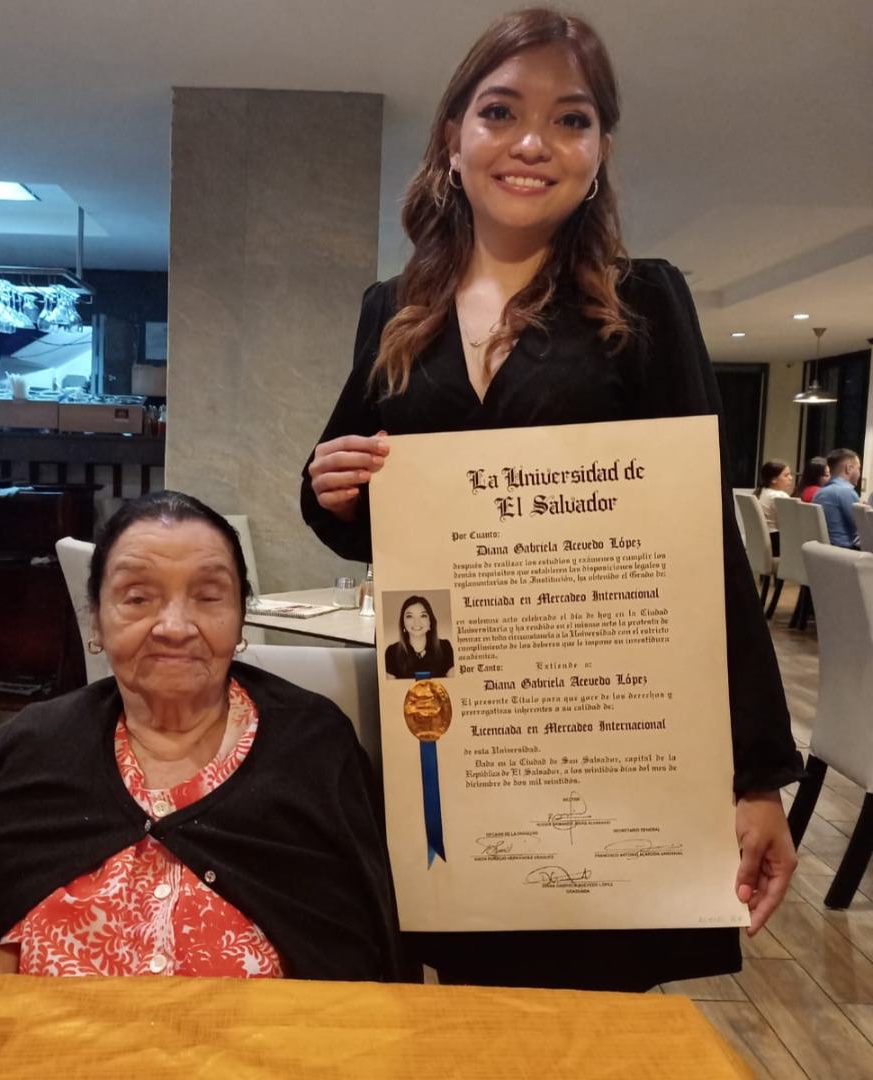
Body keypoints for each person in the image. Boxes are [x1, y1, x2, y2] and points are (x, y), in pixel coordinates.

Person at [300, 8, 801, 992]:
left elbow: (703, 543)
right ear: (454, 138)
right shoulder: (395, 310)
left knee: (599, 998)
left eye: (570, 119)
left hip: (607, 716)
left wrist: (753, 776)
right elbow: (349, 504)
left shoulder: (644, 301)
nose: (533, 142)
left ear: (599, 151)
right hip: (460, 723)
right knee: (468, 993)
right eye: (501, 111)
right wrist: (333, 488)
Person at [0, 491, 401, 981]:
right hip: (52, 1031)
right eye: (138, 598)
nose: (175, 627)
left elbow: (357, 965)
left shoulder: (311, 748)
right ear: (95, 618)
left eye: (208, 597)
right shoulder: (34, 750)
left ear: (240, 618)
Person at [385, 595, 454, 679]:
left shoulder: (445, 648)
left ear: (430, 621)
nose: (416, 622)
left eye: (423, 616)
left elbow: (454, 684)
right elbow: (389, 687)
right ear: (403, 622)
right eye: (410, 616)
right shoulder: (392, 652)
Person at [812, 448, 862, 549]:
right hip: (845, 550)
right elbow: (862, 527)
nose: (859, 473)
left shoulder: (820, 492)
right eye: (858, 468)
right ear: (849, 469)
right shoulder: (846, 491)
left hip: (824, 550)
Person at [752, 459, 793, 555]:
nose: (790, 478)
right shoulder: (779, 496)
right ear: (773, 479)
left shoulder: (763, 491)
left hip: (763, 540)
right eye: (786, 475)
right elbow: (789, 525)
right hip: (776, 542)